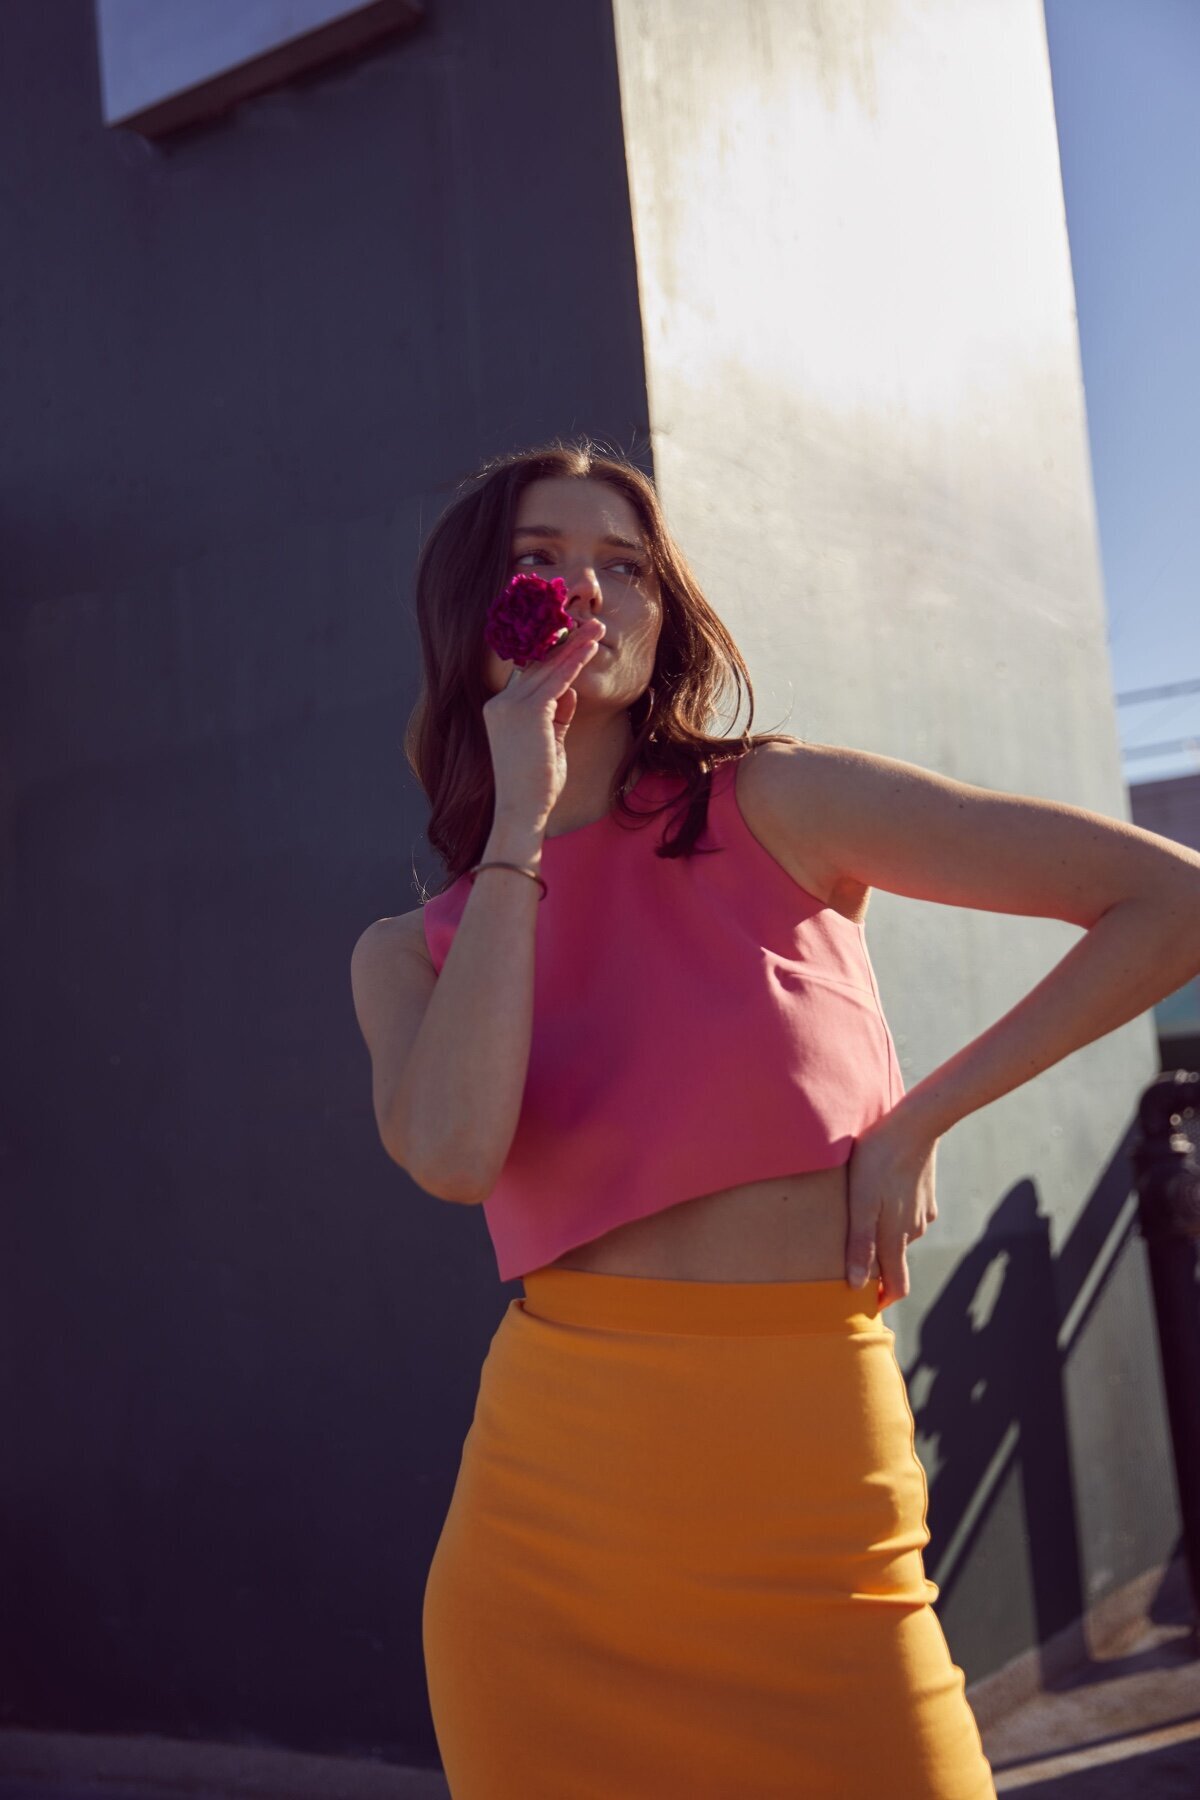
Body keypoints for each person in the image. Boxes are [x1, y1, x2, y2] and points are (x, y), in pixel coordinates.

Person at [350, 439, 1200, 1798]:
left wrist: (922, 1117)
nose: (589, 593)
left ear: (663, 608)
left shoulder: (780, 804)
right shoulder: (413, 949)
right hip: (551, 1531)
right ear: (478, 618)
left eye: (625, 567)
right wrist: (522, 814)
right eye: (541, 562)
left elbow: (1170, 902)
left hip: (818, 1499)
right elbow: (454, 1156)